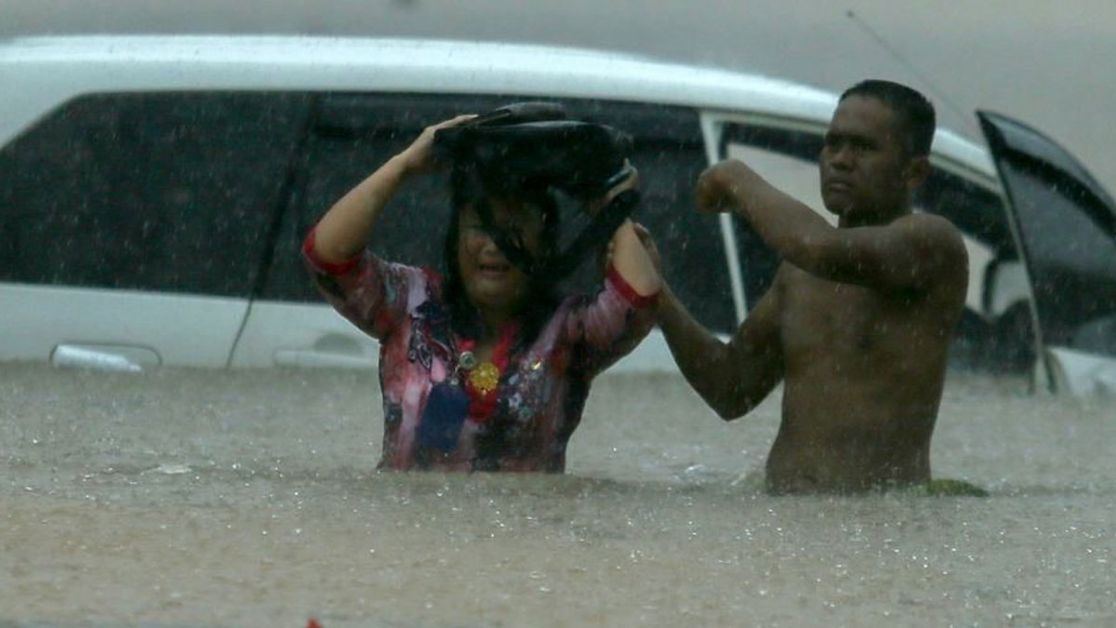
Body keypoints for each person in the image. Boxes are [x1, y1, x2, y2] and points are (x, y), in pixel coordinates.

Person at [644, 80, 969, 494]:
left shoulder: (933, 245)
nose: (840, 160)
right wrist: (656, 293)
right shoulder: (798, 273)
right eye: (832, 144)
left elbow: (819, 246)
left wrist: (735, 176)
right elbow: (730, 389)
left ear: (914, 172)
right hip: (787, 526)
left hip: (881, 535)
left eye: (863, 147)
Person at [303, 113, 661, 472]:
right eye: (479, 228)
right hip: (403, 525)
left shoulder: (568, 331)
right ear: (455, 241)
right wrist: (404, 165)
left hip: (527, 528)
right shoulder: (411, 303)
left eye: (514, 230)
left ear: (545, 247)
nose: (494, 246)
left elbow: (638, 300)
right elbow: (328, 256)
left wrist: (608, 205)